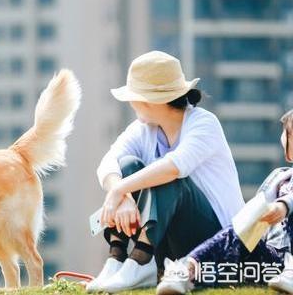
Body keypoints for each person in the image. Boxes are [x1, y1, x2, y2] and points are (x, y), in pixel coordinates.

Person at [87, 51, 245, 293]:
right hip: (171, 245)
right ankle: (117, 258)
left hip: (217, 247)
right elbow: (108, 162)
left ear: (150, 100)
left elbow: (173, 167)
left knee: (170, 178)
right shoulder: (144, 129)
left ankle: (141, 259)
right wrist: (123, 195)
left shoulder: (204, 124)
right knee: (127, 164)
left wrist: (120, 189)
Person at [156, 109, 293, 295]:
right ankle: (186, 270)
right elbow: (255, 210)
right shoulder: (279, 177)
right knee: (240, 230)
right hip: (272, 259)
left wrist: (284, 205)